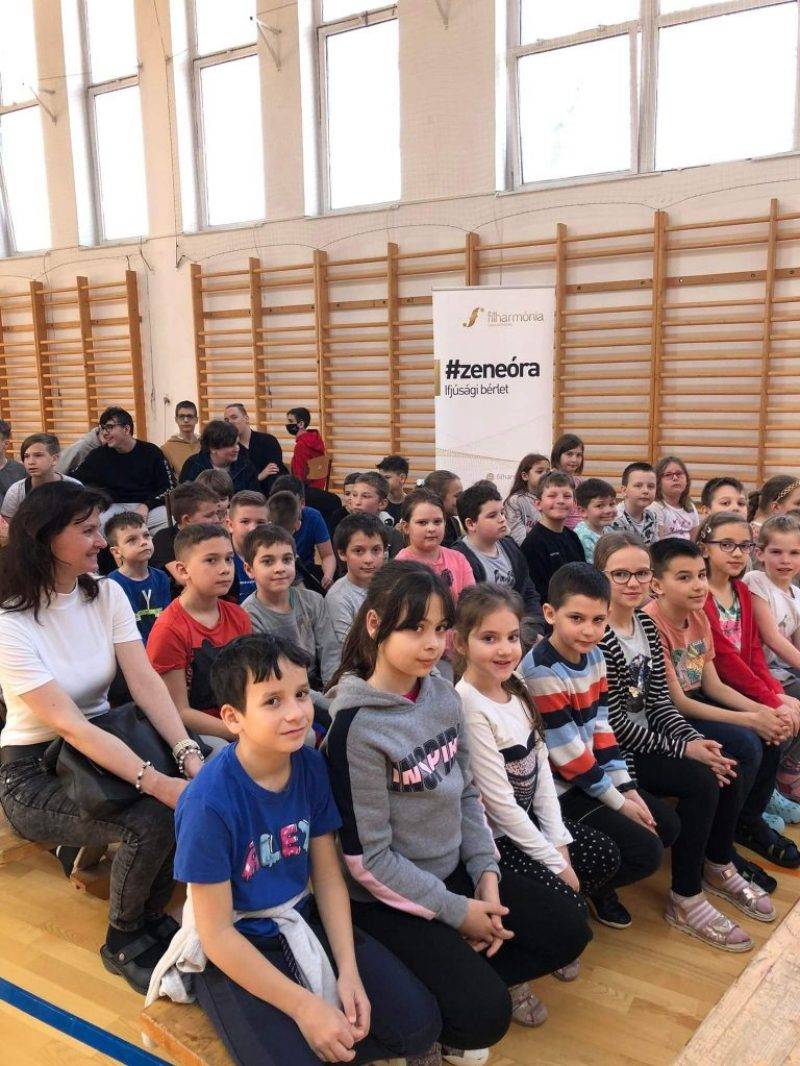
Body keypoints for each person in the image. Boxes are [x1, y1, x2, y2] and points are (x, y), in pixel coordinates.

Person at [324, 561, 591, 1060]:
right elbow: (369, 862)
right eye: (415, 628)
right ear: (375, 624)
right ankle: (428, 1014)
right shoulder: (356, 730)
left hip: (456, 872)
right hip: (390, 899)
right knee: (484, 1019)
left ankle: (456, 982)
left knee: (570, 927)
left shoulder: (443, 692)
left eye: (440, 628)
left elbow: (467, 793)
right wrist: (458, 913)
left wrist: (486, 875)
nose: (432, 644)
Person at [163, 632, 441, 1066]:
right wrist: (304, 1007)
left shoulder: (310, 765)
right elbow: (216, 934)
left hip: (298, 914)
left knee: (419, 1024)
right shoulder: (207, 804)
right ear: (233, 718)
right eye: (272, 701)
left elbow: (327, 878)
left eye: (300, 694)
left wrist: (348, 971)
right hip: (238, 940)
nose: (295, 713)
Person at [0, 483, 203, 993]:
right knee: (151, 817)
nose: (100, 541)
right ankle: (123, 938)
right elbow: (70, 724)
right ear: (46, 539)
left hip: (102, 748)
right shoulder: (9, 622)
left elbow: (145, 682)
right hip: (35, 772)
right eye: (88, 530)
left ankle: (153, 915)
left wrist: (187, 754)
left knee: (182, 792)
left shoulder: (106, 593)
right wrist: (157, 782)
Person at [594, 533, 771, 949]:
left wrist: (696, 742)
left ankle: (718, 863)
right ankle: (686, 897)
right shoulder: (599, 635)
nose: (633, 583)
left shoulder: (644, 626)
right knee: (701, 780)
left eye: (641, 573)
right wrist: (683, 748)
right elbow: (613, 723)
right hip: (616, 751)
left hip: (649, 738)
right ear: (600, 577)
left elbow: (658, 701)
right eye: (621, 574)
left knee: (722, 761)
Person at [454, 584, 610, 991]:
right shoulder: (468, 704)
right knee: (568, 906)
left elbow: (540, 775)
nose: (505, 649)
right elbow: (500, 806)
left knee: (601, 857)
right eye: (489, 639)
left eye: (512, 637)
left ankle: (543, 931)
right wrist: (554, 863)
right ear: (461, 643)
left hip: (526, 825)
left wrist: (558, 843)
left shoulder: (516, 689)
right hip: (495, 840)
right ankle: (511, 970)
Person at [521, 563, 679, 929]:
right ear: (550, 614)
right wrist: (619, 803)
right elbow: (568, 756)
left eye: (598, 620)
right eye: (576, 618)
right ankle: (581, 890)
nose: (589, 630)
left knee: (665, 826)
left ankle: (597, 879)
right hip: (560, 789)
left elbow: (601, 727)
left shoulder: (595, 655)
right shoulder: (541, 671)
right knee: (645, 851)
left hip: (589, 777)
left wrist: (627, 788)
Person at [644, 537, 798, 883]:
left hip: (697, 701)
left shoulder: (698, 615)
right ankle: (719, 845)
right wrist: (751, 718)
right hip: (668, 717)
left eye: (701, 575)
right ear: (657, 585)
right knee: (746, 744)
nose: (699, 585)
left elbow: (711, 684)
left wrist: (765, 711)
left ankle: (746, 821)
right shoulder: (652, 624)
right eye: (684, 577)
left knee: (769, 733)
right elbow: (679, 702)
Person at [698, 513, 800, 853]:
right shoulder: (700, 594)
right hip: (714, 688)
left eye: (743, 545)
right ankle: (741, 817)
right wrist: (770, 701)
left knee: (780, 721)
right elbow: (725, 661)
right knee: (758, 736)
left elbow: (754, 652)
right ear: (705, 547)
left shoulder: (741, 590)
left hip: (742, 686)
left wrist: (776, 693)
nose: (736, 553)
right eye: (726, 544)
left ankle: (753, 810)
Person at [147, 524, 252, 746]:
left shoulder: (238, 615)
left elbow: (249, 682)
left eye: (229, 559)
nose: (225, 569)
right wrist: (244, 731)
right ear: (182, 570)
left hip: (239, 714)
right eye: (211, 560)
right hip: (197, 730)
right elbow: (178, 711)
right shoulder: (169, 629)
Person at [242, 525, 339, 697]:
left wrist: (333, 691)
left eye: (287, 560)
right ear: (249, 569)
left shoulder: (313, 601)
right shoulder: (249, 615)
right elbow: (269, 673)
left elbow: (330, 652)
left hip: (320, 685)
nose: (280, 568)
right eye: (268, 561)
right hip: (282, 692)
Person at [744, 515, 800, 803]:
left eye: (794, 552)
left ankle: (788, 767)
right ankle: (771, 785)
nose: (785, 560)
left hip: (777, 670)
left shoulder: (797, 593)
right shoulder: (756, 581)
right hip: (755, 672)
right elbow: (771, 637)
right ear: (759, 553)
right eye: (776, 551)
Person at [452, 480, 544, 648]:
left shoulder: (510, 545)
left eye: (502, 512)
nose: (502, 519)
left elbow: (529, 593)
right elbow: (471, 613)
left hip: (521, 632)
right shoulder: (460, 557)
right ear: (471, 524)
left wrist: (535, 630)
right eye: (492, 515)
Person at [74, 407, 172, 535]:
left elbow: (168, 487)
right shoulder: (98, 456)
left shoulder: (151, 452)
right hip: (113, 507)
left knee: (170, 521)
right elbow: (76, 481)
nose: (105, 433)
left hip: (148, 507)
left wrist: (146, 506)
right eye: (103, 428)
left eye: (110, 427)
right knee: (97, 524)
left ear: (126, 429)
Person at [520, 472, 585, 610]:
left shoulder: (573, 537)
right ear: (538, 504)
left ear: (574, 503)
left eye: (567, 496)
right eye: (552, 496)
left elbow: (583, 577)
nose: (560, 500)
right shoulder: (533, 544)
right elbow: (537, 593)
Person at [397, 489, 475, 601]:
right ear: (406, 527)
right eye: (422, 523)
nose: (431, 528)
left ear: (445, 523)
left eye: (437, 522)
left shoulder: (459, 559)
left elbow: (471, 603)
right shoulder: (400, 566)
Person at [107, 511, 171, 644]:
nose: (143, 542)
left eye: (146, 535)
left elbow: (167, 619)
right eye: (132, 540)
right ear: (117, 552)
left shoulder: (161, 577)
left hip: (162, 646)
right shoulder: (112, 583)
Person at [326, 513, 388, 648]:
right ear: (342, 553)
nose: (369, 560)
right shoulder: (338, 597)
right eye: (359, 551)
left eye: (376, 550)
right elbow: (349, 647)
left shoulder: (392, 585)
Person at [151, 481, 222, 589]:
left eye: (217, 513)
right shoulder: (165, 538)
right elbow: (184, 579)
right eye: (209, 516)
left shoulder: (218, 538)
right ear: (187, 519)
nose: (217, 520)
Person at [269, 477, 336, 590]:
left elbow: (328, 555)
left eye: (290, 504)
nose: (285, 509)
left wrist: (328, 576)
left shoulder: (313, 516)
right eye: (279, 503)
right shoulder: (263, 518)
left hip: (305, 572)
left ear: (302, 503)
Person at [1, 432, 81, 521]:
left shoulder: (74, 487)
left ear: (54, 459)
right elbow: (10, 525)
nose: (31, 462)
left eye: (38, 455)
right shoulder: (16, 491)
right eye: (26, 456)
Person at [179, 420, 262, 496]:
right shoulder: (193, 464)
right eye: (230, 445)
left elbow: (255, 498)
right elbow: (183, 499)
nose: (237, 448)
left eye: (237, 443)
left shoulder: (245, 466)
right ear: (213, 448)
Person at [224, 403, 287, 493]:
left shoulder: (268, 441)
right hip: (244, 496)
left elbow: (275, 471)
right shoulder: (229, 449)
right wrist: (259, 477)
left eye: (234, 417)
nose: (230, 422)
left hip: (271, 493)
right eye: (226, 420)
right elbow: (236, 481)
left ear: (246, 418)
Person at [226, 490, 269, 604]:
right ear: (230, 525)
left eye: (260, 522)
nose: (253, 528)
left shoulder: (278, 557)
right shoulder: (220, 561)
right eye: (245, 522)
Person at [348, 472, 405, 557]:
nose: (357, 502)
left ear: (382, 503)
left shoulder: (393, 536)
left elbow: (397, 564)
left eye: (365, 496)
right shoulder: (343, 531)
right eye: (354, 495)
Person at [603, 462, 658, 545]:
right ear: (624, 491)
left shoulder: (652, 515)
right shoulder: (615, 518)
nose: (646, 491)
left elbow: (655, 547)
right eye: (638, 486)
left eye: (651, 486)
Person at [503, 453, 550, 545]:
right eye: (540, 471)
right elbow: (518, 538)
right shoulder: (515, 501)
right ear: (525, 476)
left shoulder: (550, 499)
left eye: (548, 472)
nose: (546, 475)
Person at [651, 456, 699, 541]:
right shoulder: (655, 508)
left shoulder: (690, 506)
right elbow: (658, 545)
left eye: (679, 474)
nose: (675, 478)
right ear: (658, 482)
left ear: (687, 480)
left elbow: (695, 541)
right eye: (668, 475)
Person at [574, 478, 617, 565]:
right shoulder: (582, 538)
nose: (608, 510)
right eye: (600, 505)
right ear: (583, 511)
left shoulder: (609, 531)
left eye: (611, 504)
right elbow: (593, 569)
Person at [550, 433, 584, 530]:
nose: (574, 459)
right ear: (558, 455)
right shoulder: (549, 480)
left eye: (578, 455)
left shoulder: (579, 482)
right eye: (569, 454)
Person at [287, 407, 327, 489]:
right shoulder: (316, 440)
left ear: (301, 424)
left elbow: (300, 475)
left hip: (306, 491)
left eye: (290, 421)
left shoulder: (301, 445)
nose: (287, 425)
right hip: (319, 488)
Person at [161, 400, 201, 481]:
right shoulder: (166, 449)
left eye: (190, 416)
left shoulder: (205, 444)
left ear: (196, 420)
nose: (186, 420)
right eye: (181, 416)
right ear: (176, 420)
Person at [424, 471, 464, 548]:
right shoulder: (425, 528)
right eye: (457, 496)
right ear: (438, 497)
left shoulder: (454, 523)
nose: (462, 499)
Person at [376, 455, 409, 524]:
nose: (382, 481)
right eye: (380, 477)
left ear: (402, 478)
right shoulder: (377, 503)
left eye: (387, 477)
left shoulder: (411, 504)